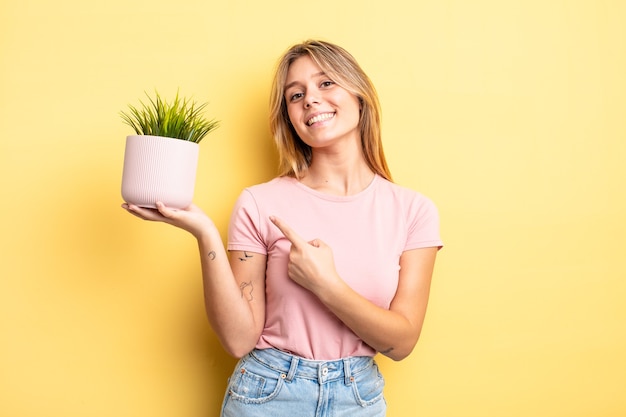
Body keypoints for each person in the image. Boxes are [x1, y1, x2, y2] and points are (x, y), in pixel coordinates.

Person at [122, 39, 443, 417]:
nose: (310, 100)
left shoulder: (412, 211)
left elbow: (401, 343)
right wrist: (205, 233)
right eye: (295, 95)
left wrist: (327, 285)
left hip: (359, 400)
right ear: (289, 117)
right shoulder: (260, 203)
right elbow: (239, 340)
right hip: (268, 395)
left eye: (326, 83)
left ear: (360, 97)